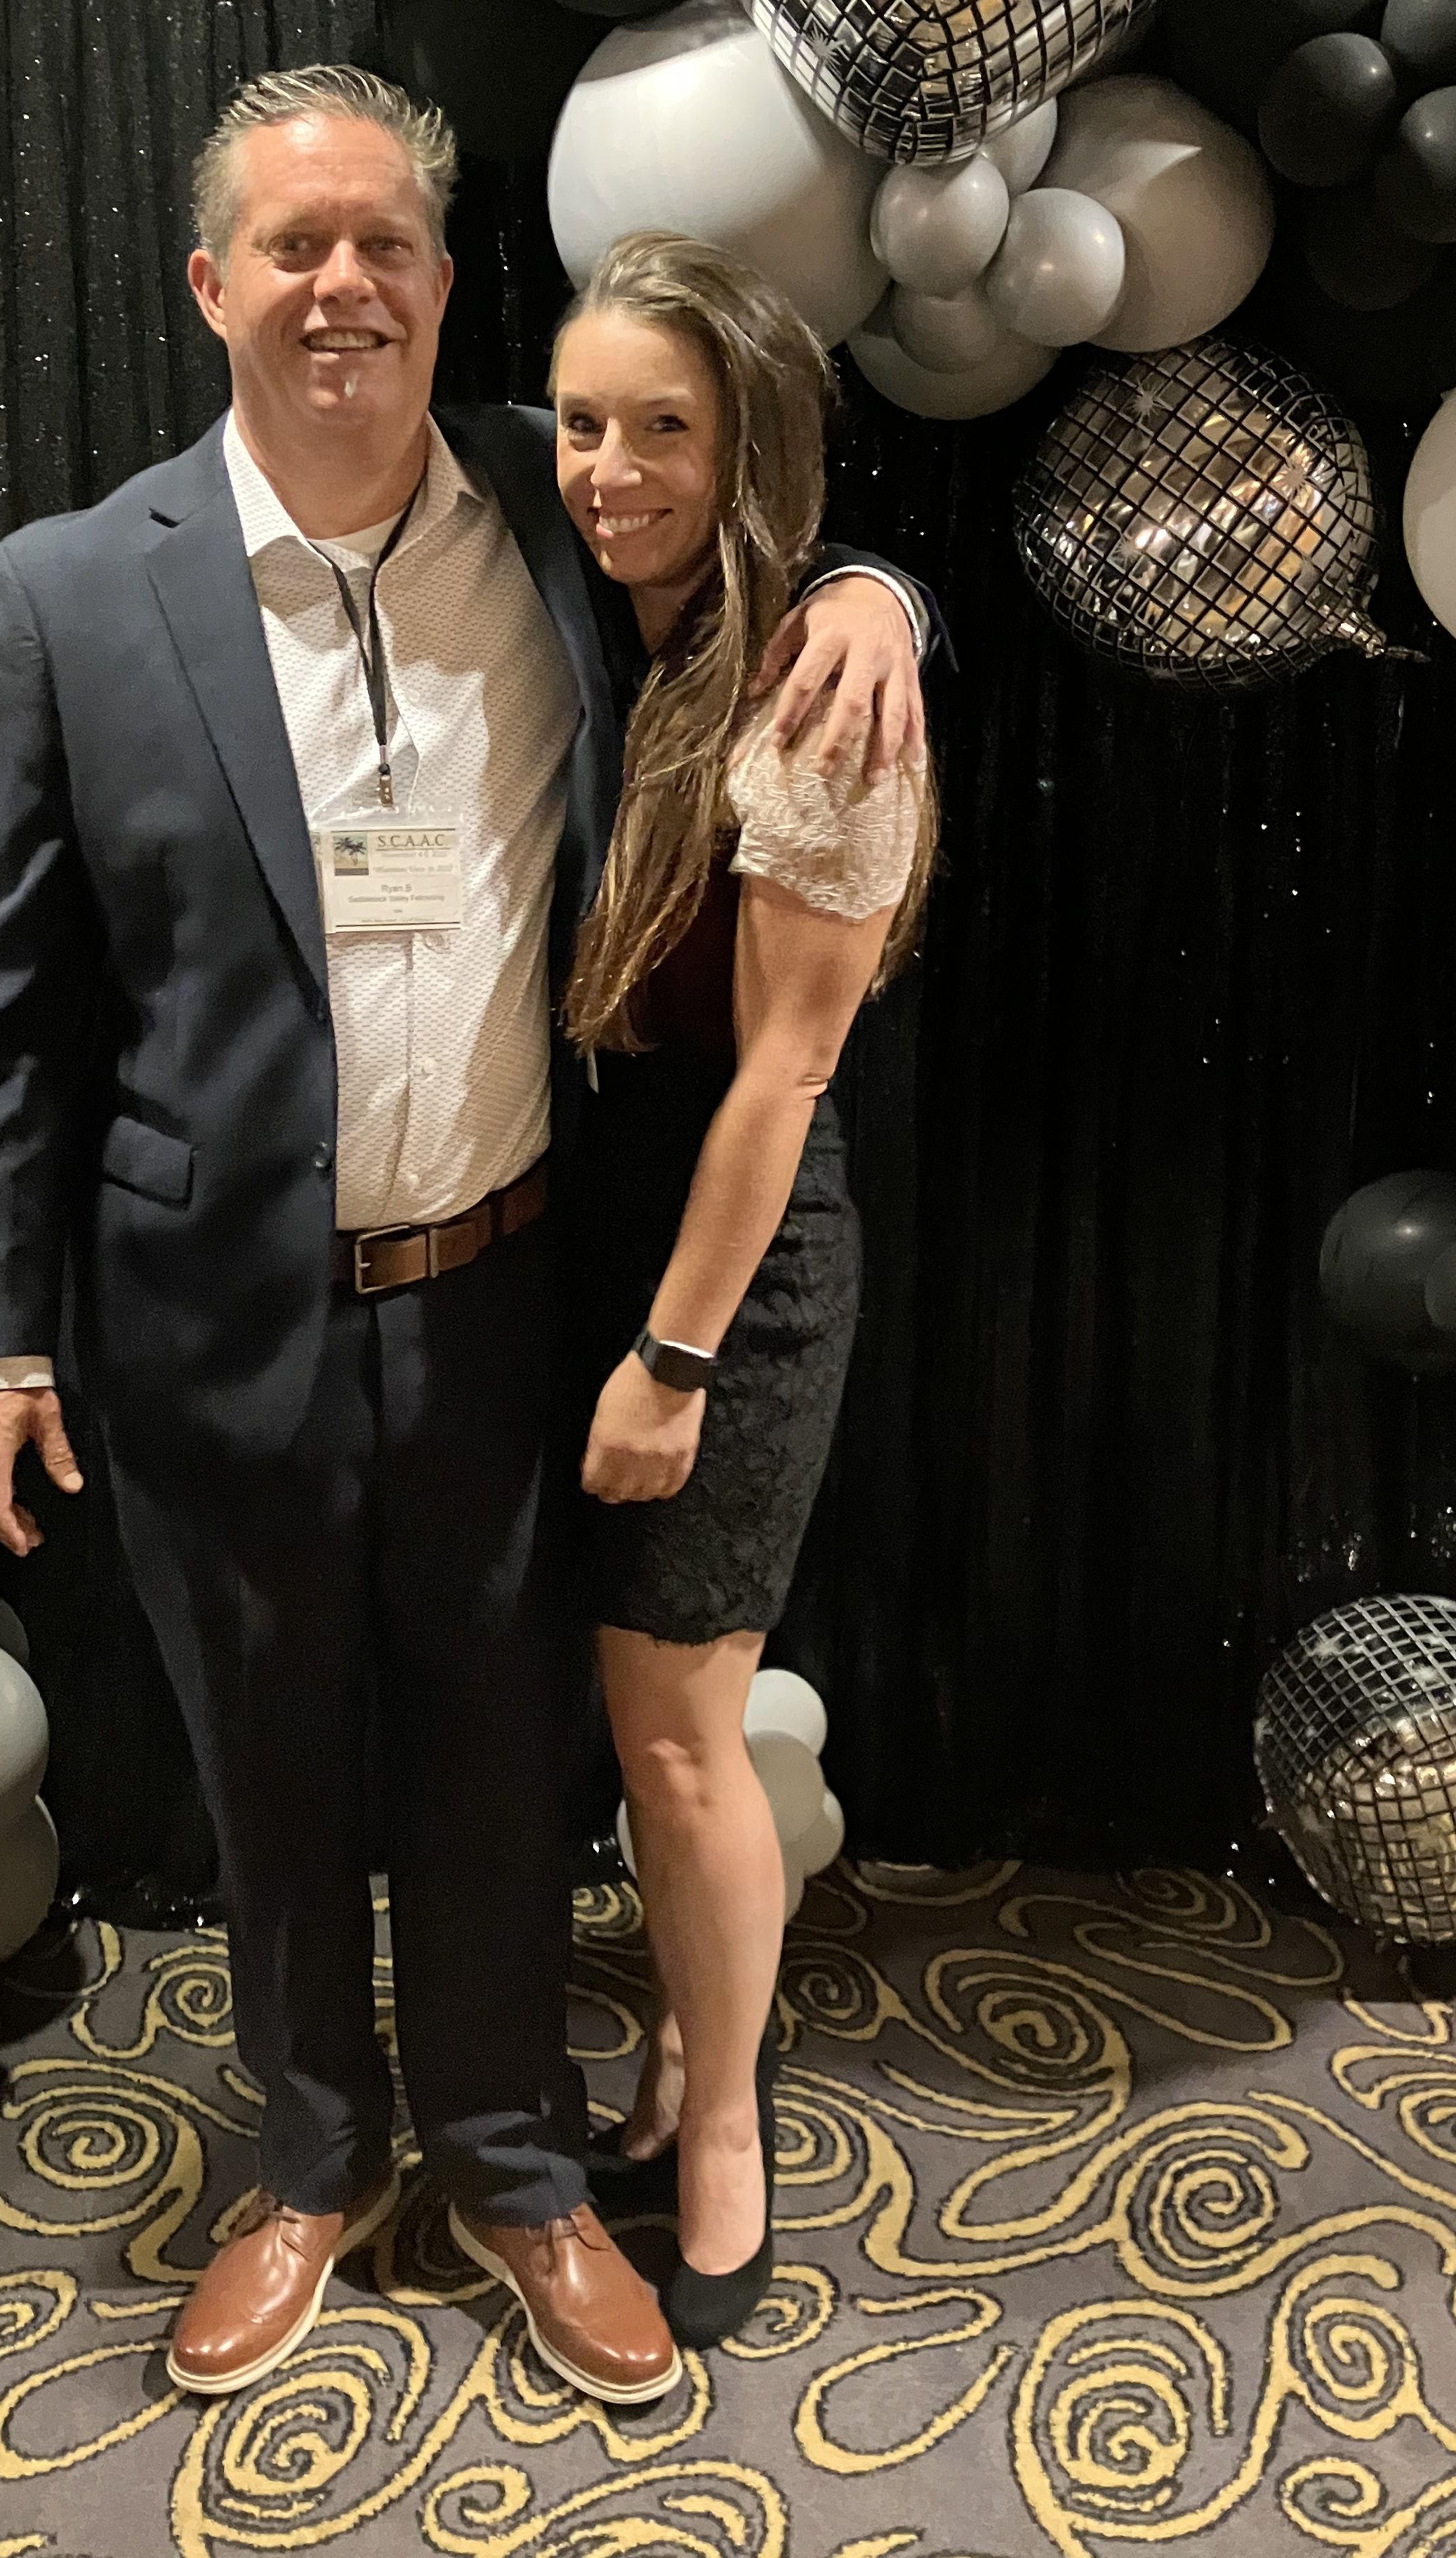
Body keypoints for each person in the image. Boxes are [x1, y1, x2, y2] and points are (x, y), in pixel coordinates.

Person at [0, 67, 925, 2410]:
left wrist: (890, 594)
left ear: (448, 280)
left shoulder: (555, 503)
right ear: (214, 286)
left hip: (499, 1289)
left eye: (385, 241)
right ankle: (307, 2159)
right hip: (206, 1311)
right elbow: (11, 1005)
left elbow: (756, 527)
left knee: (497, 1763)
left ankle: (508, 2159)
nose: (343, 285)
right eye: (295, 246)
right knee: (267, 1759)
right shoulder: (73, 592)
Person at [545, 232, 941, 2351]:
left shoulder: (815, 691)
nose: (608, 470)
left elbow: (784, 1072)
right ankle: (681, 2063)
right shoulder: (594, 614)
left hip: (733, 1258)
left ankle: (724, 2135)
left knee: (686, 1743)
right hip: (581, 1219)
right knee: (639, 1732)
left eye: (663, 430)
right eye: (581, 423)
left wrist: (674, 1357)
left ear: (752, 445)